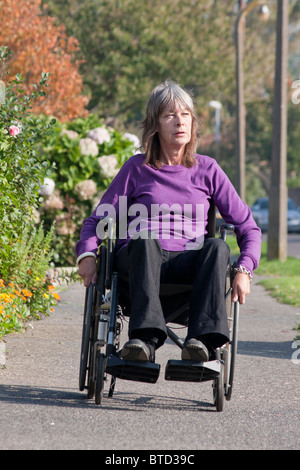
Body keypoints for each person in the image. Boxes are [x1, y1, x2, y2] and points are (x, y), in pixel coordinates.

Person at [76, 80, 261, 364]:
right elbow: (97, 221)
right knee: (146, 239)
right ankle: (144, 341)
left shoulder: (208, 169)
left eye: (185, 114)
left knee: (217, 248)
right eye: (170, 115)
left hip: (190, 265)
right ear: (155, 126)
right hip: (139, 262)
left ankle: (201, 344)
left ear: (193, 123)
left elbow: (248, 227)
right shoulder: (136, 168)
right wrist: (87, 254)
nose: (179, 122)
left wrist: (245, 269)